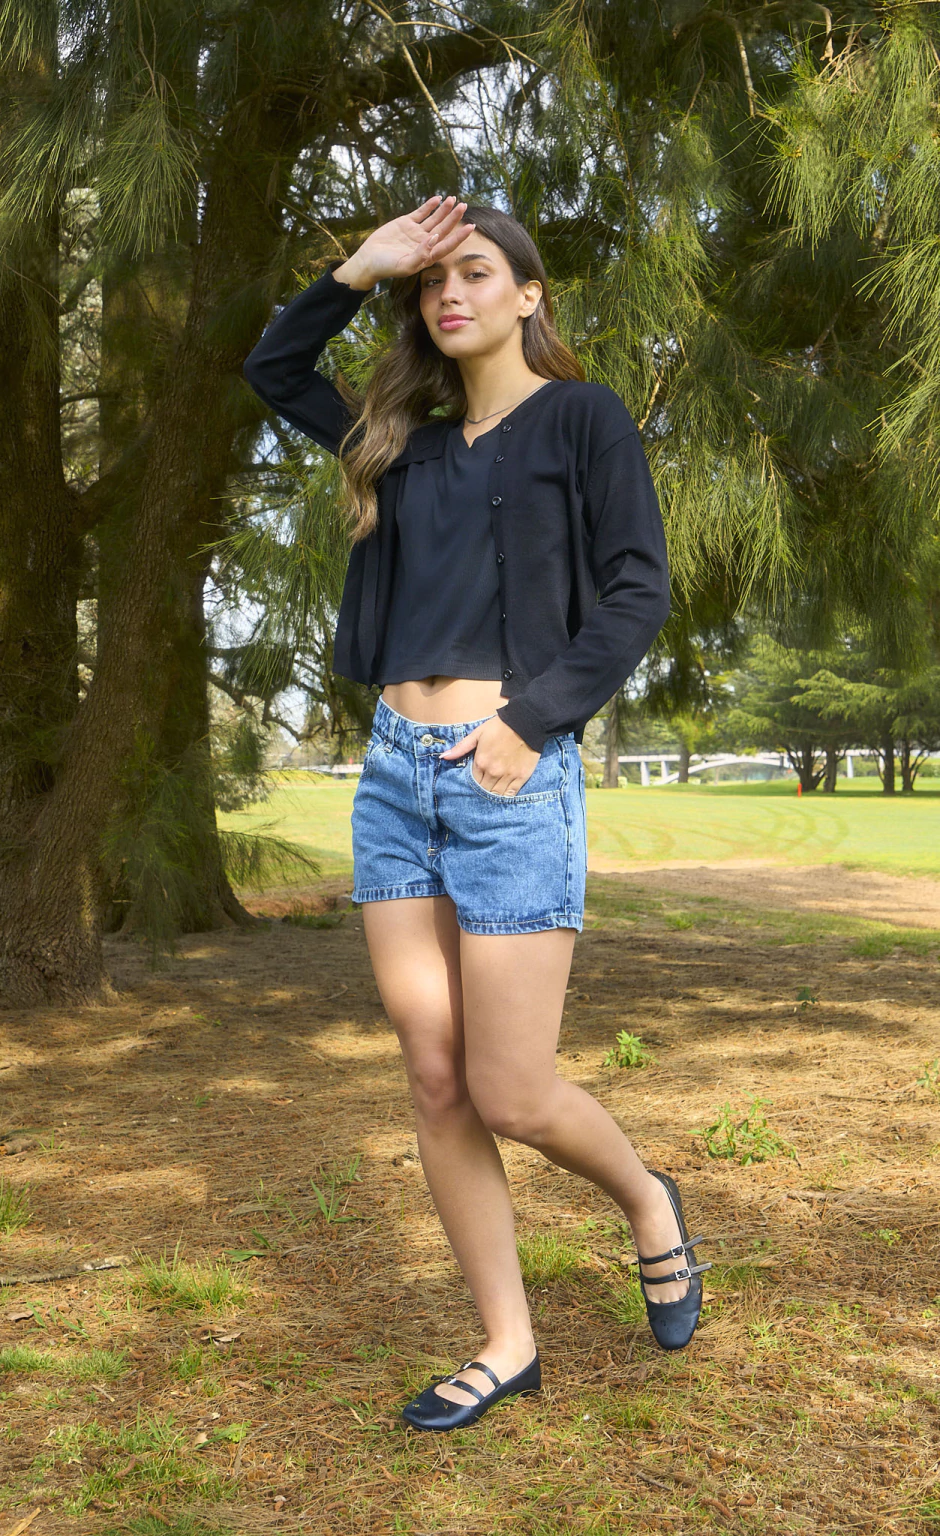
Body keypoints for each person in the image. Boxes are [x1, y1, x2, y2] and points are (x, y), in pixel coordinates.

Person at [243, 195, 711, 1432]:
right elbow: (273, 369)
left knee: (510, 1090)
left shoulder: (583, 419)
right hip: (395, 781)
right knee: (434, 1075)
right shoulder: (403, 444)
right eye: (431, 280)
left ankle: (647, 1201)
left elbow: (636, 591)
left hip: (510, 775)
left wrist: (531, 720)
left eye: (476, 272)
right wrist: (359, 269)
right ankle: (508, 1343)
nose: (448, 293)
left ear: (528, 293)